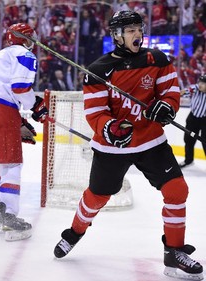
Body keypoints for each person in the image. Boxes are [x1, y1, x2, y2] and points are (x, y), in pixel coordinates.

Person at [53, 10, 203, 280]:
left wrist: (166, 107)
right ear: (117, 35)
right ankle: (74, 232)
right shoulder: (99, 70)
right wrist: (110, 128)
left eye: (138, 28)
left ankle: (174, 252)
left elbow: (170, 91)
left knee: (177, 190)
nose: (137, 34)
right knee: (97, 197)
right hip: (114, 147)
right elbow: (96, 111)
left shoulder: (157, 59)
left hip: (151, 141)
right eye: (130, 30)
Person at [0, 23, 48, 241]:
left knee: (6, 163)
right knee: (13, 163)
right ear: (27, 39)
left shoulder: (1, 55)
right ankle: (9, 216)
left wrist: (18, 118)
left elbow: (1, 90)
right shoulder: (25, 54)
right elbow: (20, 88)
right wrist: (36, 106)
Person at [178, 75, 206, 168]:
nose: (200, 85)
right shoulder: (196, 88)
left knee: (205, 141)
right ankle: (188, 160)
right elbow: (185, 91)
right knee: (188, 139)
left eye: (203, 83)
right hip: (193, 117)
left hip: (204, 119)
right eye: (200, 82)